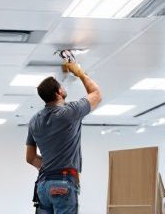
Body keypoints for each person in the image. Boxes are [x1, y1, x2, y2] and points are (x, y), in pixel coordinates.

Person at [25, 61, 101, 214]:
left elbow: (30, 158)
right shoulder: (68, 113)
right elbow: (96, 94)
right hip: (64, 182)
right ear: (59, 92)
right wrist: (79, 73)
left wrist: (51, 167)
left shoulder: (34, 121)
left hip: (43, 185)